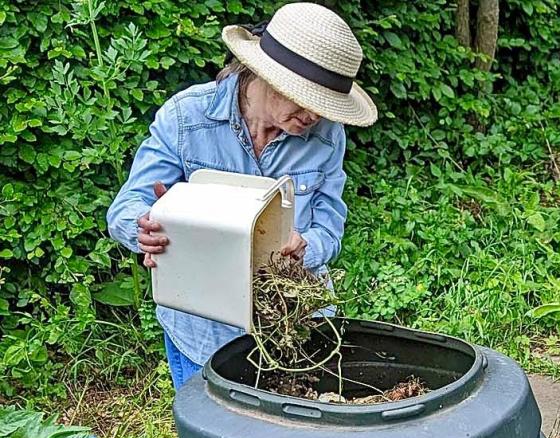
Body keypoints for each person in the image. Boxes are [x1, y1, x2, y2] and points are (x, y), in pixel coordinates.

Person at [107, 2, 377, 389]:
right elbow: (126, 208)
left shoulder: (327, 135)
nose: (315, 116)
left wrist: (307, 248)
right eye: (308, 100)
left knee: (297, 437)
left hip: (295, 328)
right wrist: (146, 227)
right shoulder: (187, 118)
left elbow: (330, 227)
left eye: (325, 106)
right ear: (270, 76)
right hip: (203, 332)